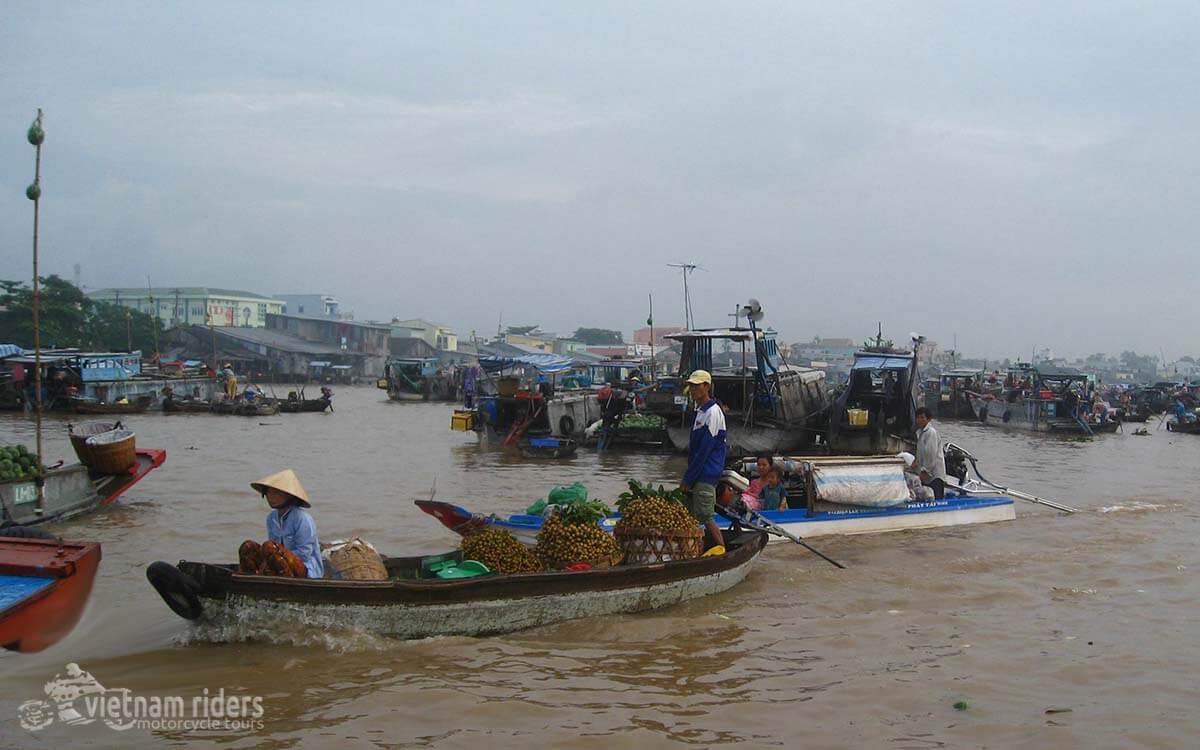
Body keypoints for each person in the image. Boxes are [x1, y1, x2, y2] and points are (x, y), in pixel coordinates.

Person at [239, 469, 323, 578]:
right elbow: (273, 546)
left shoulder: (302, 518)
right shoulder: (271, 518)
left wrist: (276, 555)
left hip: (306, 570)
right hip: (279, 563)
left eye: (276, 493)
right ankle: (251, 583)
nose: (271, 497)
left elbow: (304, 553)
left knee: (269, 547)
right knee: (247, 547)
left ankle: (286, 586)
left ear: (289, 495)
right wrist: (269, 560)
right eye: (269, 492)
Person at [680, 370, 726, 549]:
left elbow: (705, 450)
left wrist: (688, 478)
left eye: (696, 386)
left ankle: (722, 552)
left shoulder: (712, 413)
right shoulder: (700, 411)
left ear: (706, 386)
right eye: (691, 386)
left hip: (706, 472)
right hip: (698, 471)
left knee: (706, 516)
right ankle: (693, 549)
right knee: (690, 514)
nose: (692, 389)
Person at [914, 407, 947, 499]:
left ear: (928, 419)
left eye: (922, 417)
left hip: (934, 476)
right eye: (918, 417)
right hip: (925, 476)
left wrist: (925, 472)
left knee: (937, 501)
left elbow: (930, 456)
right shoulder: (920, 433)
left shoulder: (930, 433)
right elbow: (920, 455)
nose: (919, 420)